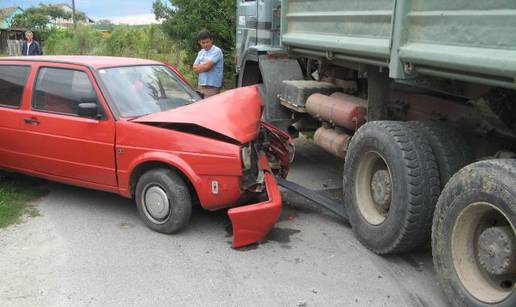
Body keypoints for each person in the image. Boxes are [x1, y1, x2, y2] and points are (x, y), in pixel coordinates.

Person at [193, 29, 223, 98]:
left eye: (207, 42)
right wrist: (205, 66)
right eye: (203, 43)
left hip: (212, 88)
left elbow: (207, 67)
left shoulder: (217, 51)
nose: (206, 44)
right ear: (199, 42)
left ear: (211, 40)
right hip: (200, 86)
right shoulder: (200, 52)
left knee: (210, 108)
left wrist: (201, 67)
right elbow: (194, 68)